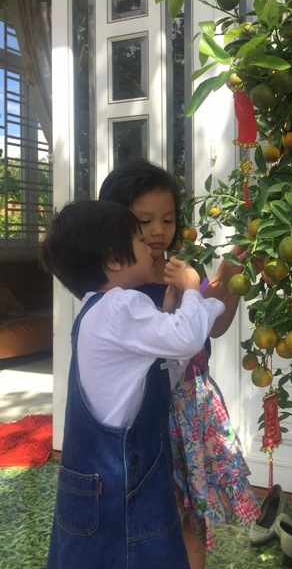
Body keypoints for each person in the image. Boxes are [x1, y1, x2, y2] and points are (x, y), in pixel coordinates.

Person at [40, 199, 226, 569]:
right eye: (140, 240)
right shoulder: (119, 306)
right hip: (125, 493)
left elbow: (159, 376)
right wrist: (192, 288)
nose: (151, 247)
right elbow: (188, 339)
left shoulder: (97, 311)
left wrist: (169, 311)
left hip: (97, 491)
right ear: (113, 259)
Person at [99, 160, 261, 569]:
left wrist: (230, 279)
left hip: (194, 407)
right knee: (155, 513)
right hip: (153, 413)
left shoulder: (187, 268)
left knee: (191, 515)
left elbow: (213, 325)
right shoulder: (122, 285)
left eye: (168, 219)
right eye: (144, 221)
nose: (158, 230)